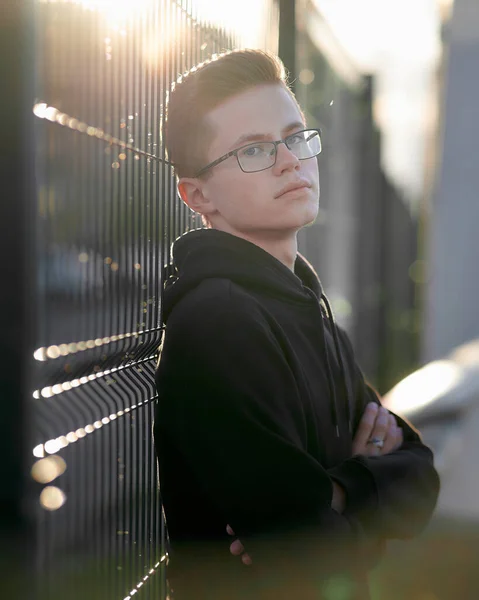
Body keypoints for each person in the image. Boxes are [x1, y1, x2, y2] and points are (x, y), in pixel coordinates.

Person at [154, 49, 440, 600]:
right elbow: (305, 553)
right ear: (198, 195)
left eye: (295, 136)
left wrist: (337, 492)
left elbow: (421, 475)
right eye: (254, 150)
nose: (289, 160)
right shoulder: (220, 322)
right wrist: (365, 492)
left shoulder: (305, 303)